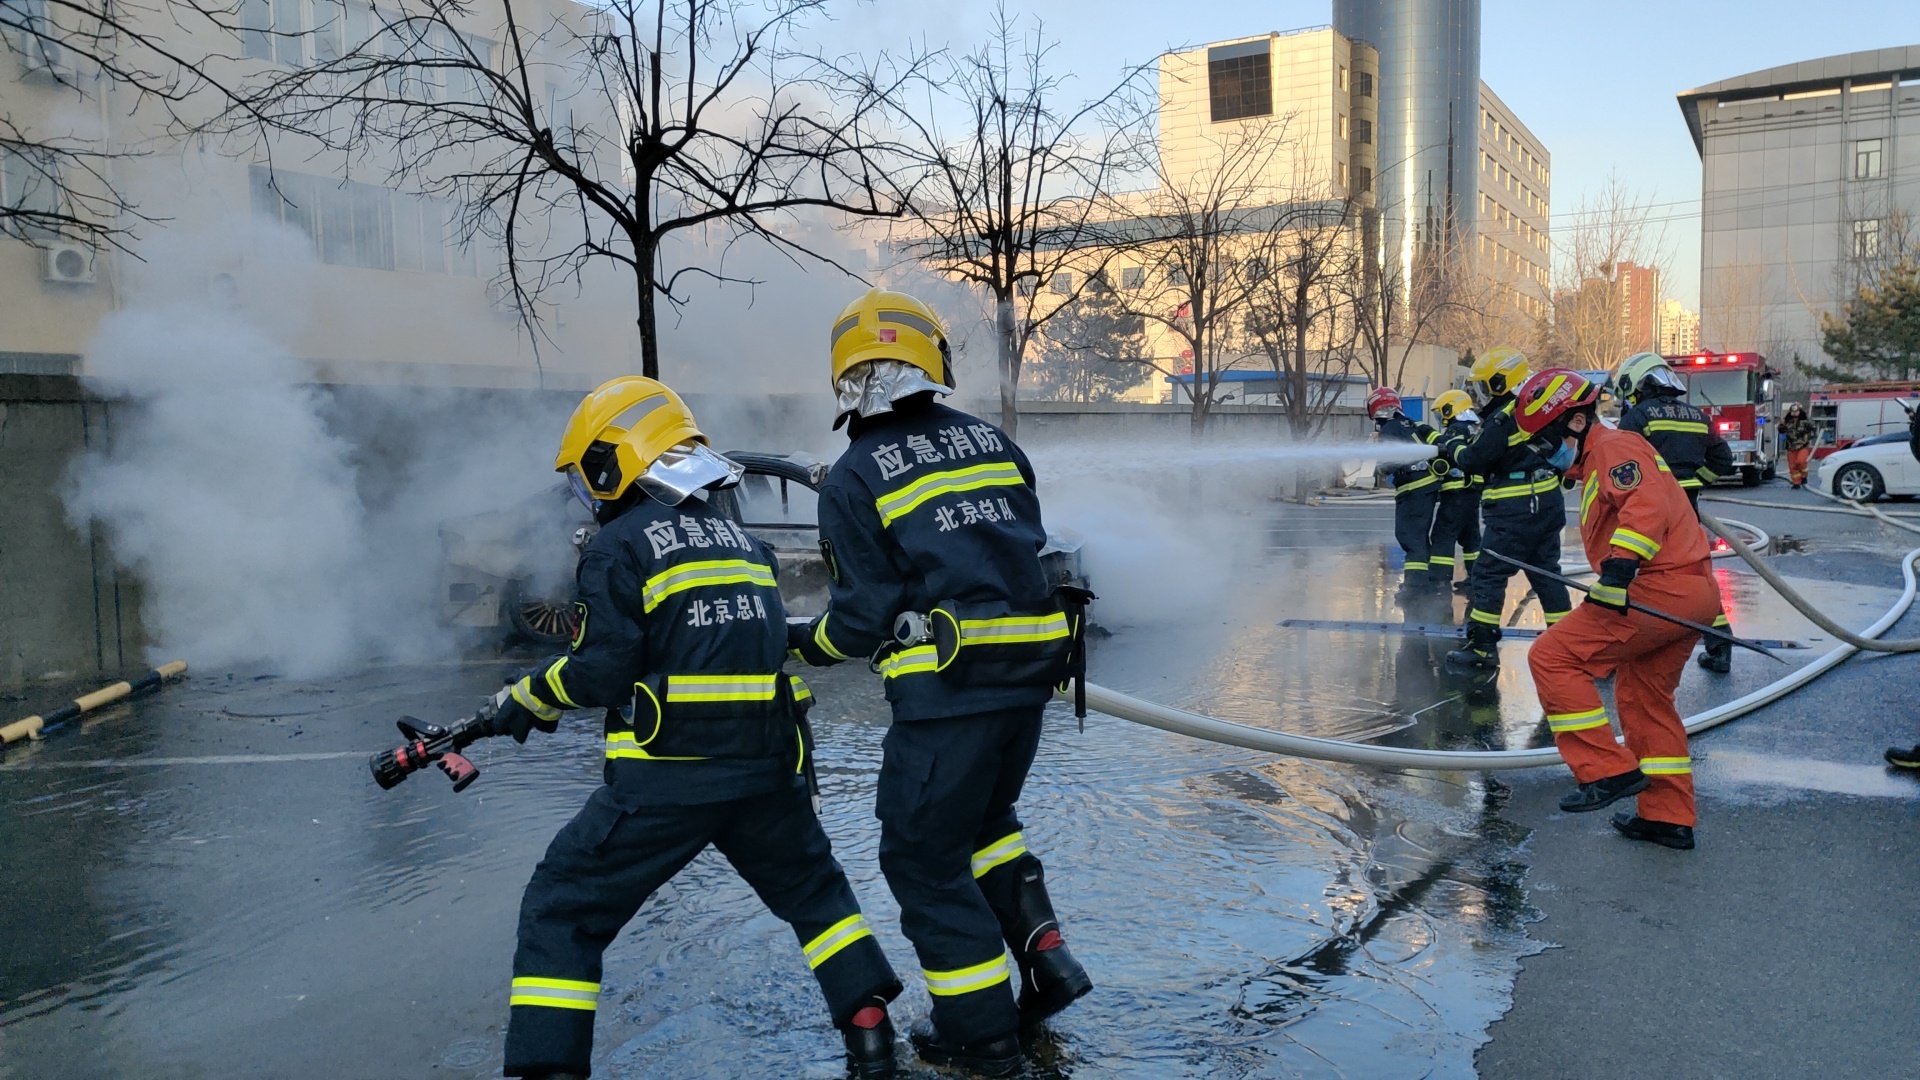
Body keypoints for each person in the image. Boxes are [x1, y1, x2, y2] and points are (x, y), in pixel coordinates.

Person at [487, 377, 903, 1080]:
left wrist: (529, 696)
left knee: (562, 907)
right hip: (768, 774)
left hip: (666, 782)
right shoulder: (745, 544)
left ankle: (547, 1069)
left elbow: (600, 673)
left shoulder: (618, 547)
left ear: (614, 461)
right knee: (818, 897)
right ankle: (870, 1032)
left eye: (589, 471)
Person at [789, 289, 1092, 1078]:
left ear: (845, 380)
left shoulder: (855, 476)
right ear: (933, 362)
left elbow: (860, 619)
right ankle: (1047, 957)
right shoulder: (994, 444)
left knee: (923, 858)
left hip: (945, 703)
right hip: (1026, 690)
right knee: (988, 822)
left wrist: (801, 644)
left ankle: (980, 1033)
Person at [1515, 368, 1725, 850]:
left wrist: (1618, 572)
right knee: (1643, 699)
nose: (1545, 449)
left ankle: (1605, 772)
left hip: (1657, 589)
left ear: (1573, 422)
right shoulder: (1601, 457)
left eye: (1546, 437)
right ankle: (1668, 816)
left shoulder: (1616, 448)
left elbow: (1645, 505)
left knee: (1552, 657)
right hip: (1691, 592)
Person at [1612, 352, 1740, 674]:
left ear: (1638, 385)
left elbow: (1622, 466)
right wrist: (1694, 485)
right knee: (1697, 579)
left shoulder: (1638, 417)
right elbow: (1723, 459)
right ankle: (1720, 649)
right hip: (1688, 514)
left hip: (1649, 515)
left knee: (1627, 577)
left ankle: (1611, 653)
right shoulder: (1697, 415)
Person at [1445, 347, 1573, 669]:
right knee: (1547, 575)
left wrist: (1453, 446)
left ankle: (1482, 648)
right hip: (1546, 504)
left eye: (1485, 386)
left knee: (1488, 575)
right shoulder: (1537, 408)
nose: (1481, 394)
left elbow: (1473, 460)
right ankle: (1569, 645)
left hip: (1514, 510)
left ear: (1502, 382)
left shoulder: (1504, 417)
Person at [1369, 386, 1444, 598]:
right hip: (1425, 486)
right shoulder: (1409, 424)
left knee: (1410, 538)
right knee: (1419, 537)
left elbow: (1389, 462)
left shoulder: (1390, 428)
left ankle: (1415, 589)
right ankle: (1426, 583)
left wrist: (1380, 467)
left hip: (1413, 487)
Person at [1426, 389, 1484, 595]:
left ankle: (1440, 582)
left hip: (1456, 492)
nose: (1441, 418)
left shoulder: (1455, 430)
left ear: (1452, 409)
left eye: (1441, 412)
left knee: (1443, 536)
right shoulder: (1474, 428)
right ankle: (1475, 579)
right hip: (1472, 492)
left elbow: (1448, 458)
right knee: (1471, 538)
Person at [1779, 402, 1818, 489]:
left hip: (1802, 445)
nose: (1794, 413)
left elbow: (1813, 430)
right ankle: (1796, 482)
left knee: (1801, 462)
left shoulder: (1806, 421)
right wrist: (1781, 426)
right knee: (1792, 466)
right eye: (1792, 412)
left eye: (1796, 411)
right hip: (1791, 446)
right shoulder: (1787, 421)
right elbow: (1782, 431)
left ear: (1799, 411)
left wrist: (1806, 438)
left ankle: (1804, 476)